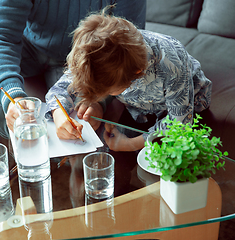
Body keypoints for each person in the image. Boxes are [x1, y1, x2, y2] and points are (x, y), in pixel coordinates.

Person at [0, 0, 147, 138]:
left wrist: (97, 100)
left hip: (86, 61)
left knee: (83, 124)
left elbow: (125, 51)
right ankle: (5, 144)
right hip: (29, 45)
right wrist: (13, 97)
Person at [45, 8, 212, 152]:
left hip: (191, 102)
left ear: (137, 73)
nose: (106, 94)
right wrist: (60, 116)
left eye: (109, 91)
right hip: (139, 108)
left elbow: (180, 125)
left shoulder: (172, 65)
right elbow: (59, 90)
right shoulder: (93, 54)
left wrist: (132, 144)